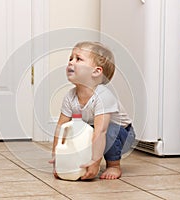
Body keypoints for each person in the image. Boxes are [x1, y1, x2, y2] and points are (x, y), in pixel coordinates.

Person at [49, 41, 136, 180]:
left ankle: (114, 165)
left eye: (78, 59)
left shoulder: (103, 96)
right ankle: (80, 163)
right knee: (76, 131)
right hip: (96, 129)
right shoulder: (70, 96)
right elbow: (61, 127)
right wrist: (58, 158)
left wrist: (95, 163)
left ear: (96, 71)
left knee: (107, 130)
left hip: (123, 135)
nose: (71, 62)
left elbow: (101, 131)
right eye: (70, 58)